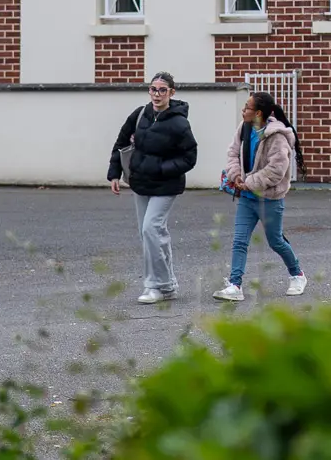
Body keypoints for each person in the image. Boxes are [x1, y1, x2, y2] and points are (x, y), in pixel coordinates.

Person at [106, 72, 198, 304]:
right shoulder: (140, 114)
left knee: (150, 229)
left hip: (166, 185)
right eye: (153, 89)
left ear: (172, 93)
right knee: (152, 234)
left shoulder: (179, 122)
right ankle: (168, 286)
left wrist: (161, 168)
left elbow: (190, 157)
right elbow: (121, 142)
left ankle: (154, 286)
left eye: (162, 90)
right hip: (141, 183)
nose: (157, 94)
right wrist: (114, 173)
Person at [213, 91, 308, 301]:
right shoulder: (243, 128)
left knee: (276, 241)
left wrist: (248, 183)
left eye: (246, 107)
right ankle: (235, 285)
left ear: (258, 113)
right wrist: (236, 175)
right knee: (239, 241)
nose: (243, 110)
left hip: (269, 199)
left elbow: (276, 170)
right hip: (247, 199)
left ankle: (297, 275)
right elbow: (232, 153)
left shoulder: (277, 138)